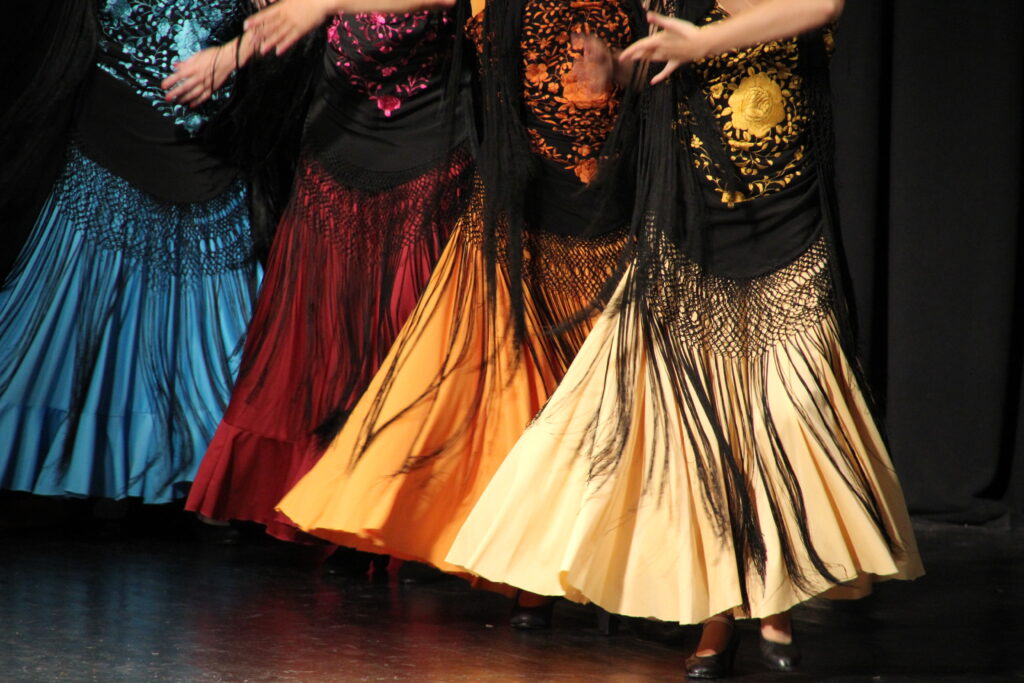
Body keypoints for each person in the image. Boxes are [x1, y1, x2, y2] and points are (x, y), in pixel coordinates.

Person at [445, 0, 923, 677]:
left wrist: (709, 41)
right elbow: (670, 60)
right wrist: (621, 70)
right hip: (691, 213)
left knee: (787, 411)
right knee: (695, 426)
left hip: (784, 210)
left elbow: (822, 6)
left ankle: (776, 592)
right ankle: (719, 612)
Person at [272, 0, 643, 622]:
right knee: (507, 397)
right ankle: (528, 568)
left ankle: (610, 568)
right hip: (514, 208)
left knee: (605, 398)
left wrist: (624, 69)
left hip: (619, 208)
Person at [164, 0, 474, 544]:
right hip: (338, 138)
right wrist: (232, 55)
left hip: (430, 141)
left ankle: (392, 514)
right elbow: (294, 14)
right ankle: (311, 502)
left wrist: (327, 3)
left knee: (408, 331)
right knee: (323, 332)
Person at [0, 1, 262, 506]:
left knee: (214, 338)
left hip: (207, 146)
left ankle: (217, 477)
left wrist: (238, 51)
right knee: (87, 320)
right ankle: (90, 466)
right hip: (112, 127)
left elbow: (303, 18)